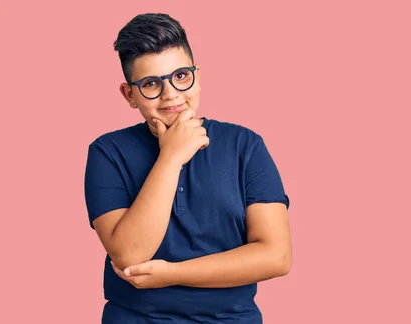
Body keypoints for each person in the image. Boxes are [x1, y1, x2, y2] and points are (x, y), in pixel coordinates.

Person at [84, 13, 292, 323]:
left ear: (197, 74)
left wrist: (171, 274)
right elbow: (129, 255)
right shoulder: (107, 152)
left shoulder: (245, 145)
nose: (170, 94)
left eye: (181, 76)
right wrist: (171, 157)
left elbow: (276, 256)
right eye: (151, 83)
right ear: (130, 94)